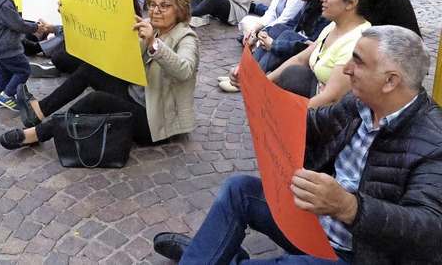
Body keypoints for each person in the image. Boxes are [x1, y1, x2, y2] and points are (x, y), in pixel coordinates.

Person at [154, 25, 442, 264]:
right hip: (318, 223)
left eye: (358, 61)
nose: (346, 70)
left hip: (359, 254)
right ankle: (210, 255)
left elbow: (431, 229)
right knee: (238, 189)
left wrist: (350, 207)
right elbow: (307, 125)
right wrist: (256, 88)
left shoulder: (433, 140)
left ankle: (207, 253)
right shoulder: (361, 104)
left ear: (390, 81)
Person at [0, 0, 200, 149]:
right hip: (137, 95)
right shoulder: (151, 26)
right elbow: (102, 37)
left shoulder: (186, 37)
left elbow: (184, 70)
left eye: (164, 6)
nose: (156, 11)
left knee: (97, 99)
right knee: (90, 69)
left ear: (180, 9)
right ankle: (39, 110)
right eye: (153, 4)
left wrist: (154, 44)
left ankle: (36, 134)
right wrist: (70, 14)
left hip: (156, 121)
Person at [232, 0, 380, 108]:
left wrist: (284, 112)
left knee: (291, 78)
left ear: (351, 3)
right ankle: (250, 72)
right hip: (316, 95)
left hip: (332, 113)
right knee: (292, 74)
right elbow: (301, 59)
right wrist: (262, 84)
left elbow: (332, 98)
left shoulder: (356, 41)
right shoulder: (335, 27)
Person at [27, 0, 140, 77]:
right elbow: (83, 29)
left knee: (61, 56)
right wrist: (66, 14)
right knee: (64, 50)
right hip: (92, 47)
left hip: (109, 54)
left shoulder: (124, 3)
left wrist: (55, 29)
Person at [248, 0, 332, 74]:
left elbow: (310, 45)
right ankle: (246, 70)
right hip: (298, 47)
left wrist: (274, 45)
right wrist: (265, 32)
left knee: (287, 35)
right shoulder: (310, 2)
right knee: (278, 28)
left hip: (310, 56)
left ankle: (251, 76)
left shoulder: (327, 10)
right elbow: (292, 23)